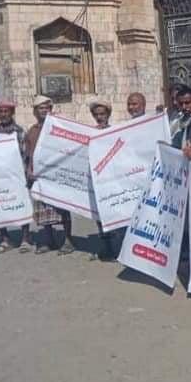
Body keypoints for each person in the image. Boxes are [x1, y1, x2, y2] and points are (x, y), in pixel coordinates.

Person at [23, 95, 74, 255]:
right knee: (43, 210)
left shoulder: (59, 127)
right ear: (35, 111)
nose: (44, 110)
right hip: (39, 177)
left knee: (63, 209)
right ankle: (49, 240)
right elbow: (29, 154)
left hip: (57, 176)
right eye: (41, 108)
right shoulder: (32, 131)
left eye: (47, 108)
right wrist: (29, 171)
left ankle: (68, 241)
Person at [0, 99, 32, 253]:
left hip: (17, 175)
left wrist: (26, 173)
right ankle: (5, 240)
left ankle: (25, 239)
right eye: (0, 112)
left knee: (22, 205)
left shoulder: (20, 131)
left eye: (6, 111)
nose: (3, 114)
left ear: (12, 113)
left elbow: (25, 154)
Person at [88, 98, 121, 261]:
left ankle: (119, 248)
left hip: (113, 179)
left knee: (115, 213)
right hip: (97, 181)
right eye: (96, 114)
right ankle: (107, 247)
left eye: (102, 114)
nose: (99, 117)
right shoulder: (90, 133)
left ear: (108, 114)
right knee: (100, 216)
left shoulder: (115, 132)